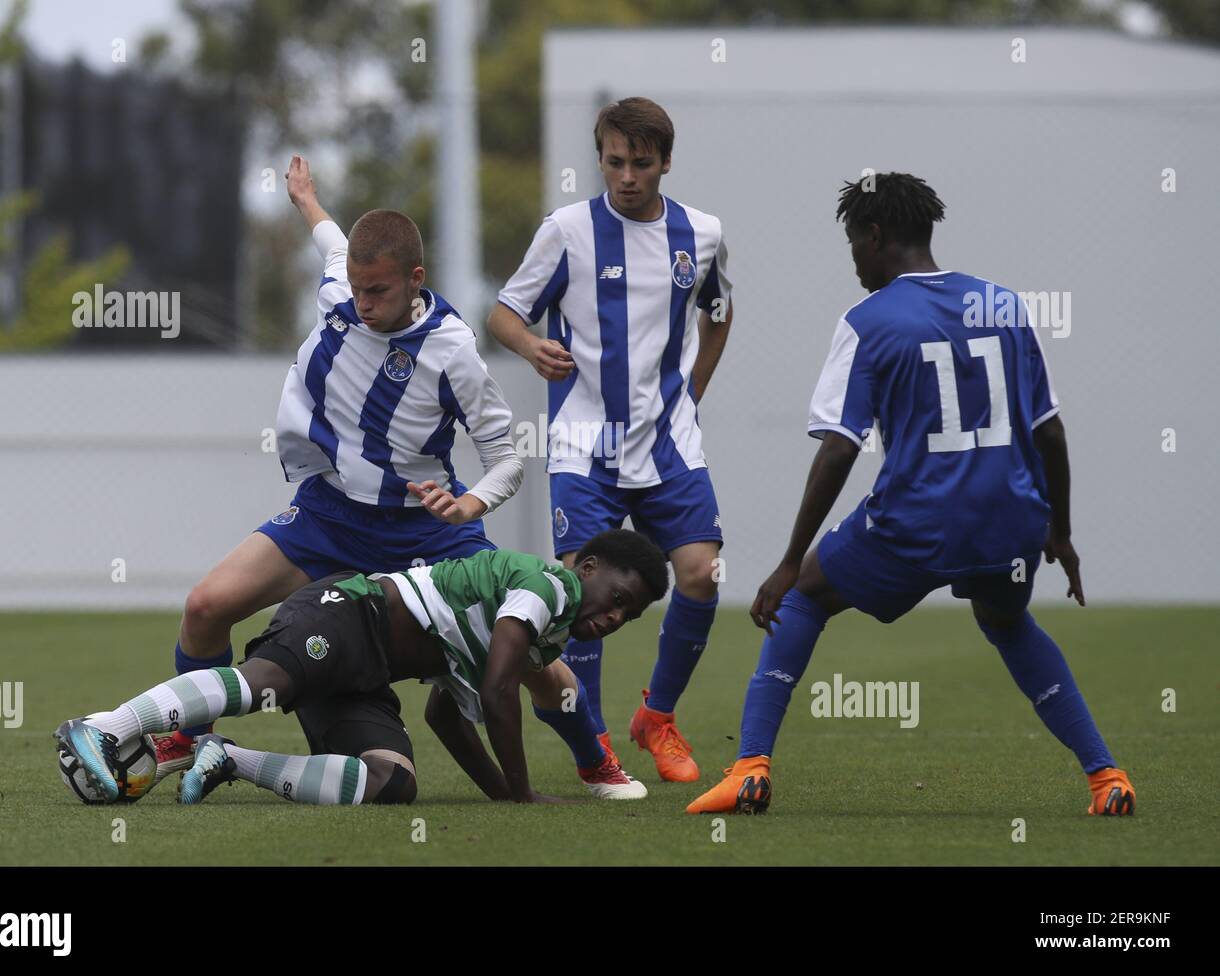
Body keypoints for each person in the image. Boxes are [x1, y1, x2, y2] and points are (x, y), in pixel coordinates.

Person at [156, 156, 641, 797]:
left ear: (415, 279)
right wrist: (305, 199)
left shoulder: (452, 351)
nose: (363, 304)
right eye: (356, 290)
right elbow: (333, 241)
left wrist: (468, 505)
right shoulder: (344, 290)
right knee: (205, 606)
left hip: (428, 532)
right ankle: (189, 743)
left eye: (378, 292)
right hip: (329, 514)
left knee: (532, 659)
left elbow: (507, 458)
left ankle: (594, 760)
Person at [687, 172, 1134, 817]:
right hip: (1013, 524)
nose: (853, 261)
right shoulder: (1005, 306)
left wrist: (788, 561)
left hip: (918, 524)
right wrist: (1058, 530)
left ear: (874, 236)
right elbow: (1051, 431)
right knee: (1007, 621)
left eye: (852, 244)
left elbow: (840, 445)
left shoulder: (868, 321)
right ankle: (1106, 777)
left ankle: (750, 767)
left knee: (806, 599)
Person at [55, 531, 669, 807]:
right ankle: (107, 726)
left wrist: (505, 796)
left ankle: (229, 760)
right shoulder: (550, 585)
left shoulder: (549, 641)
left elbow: (447, 715)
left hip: (367, 675)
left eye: (631, 616)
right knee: (262, 685)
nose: (616, 616)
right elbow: (498, 686)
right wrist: (524, 792)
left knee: (393, 783)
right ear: (588, 567)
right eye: (619, 597)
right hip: (349, 613)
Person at [487, 97, 733, 783]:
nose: (626, 176)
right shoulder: (566, 230)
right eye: (614, 161)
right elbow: (504, 313)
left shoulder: (701, 233)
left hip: (669, 445)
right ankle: (593, 748)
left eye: (641, 164)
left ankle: (658, 717)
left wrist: (693, 392)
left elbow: (719, 312)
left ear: (666, 163)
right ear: (600, 158)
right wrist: (533, 345)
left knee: (701, 575)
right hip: (584, 446)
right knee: (578, 593)